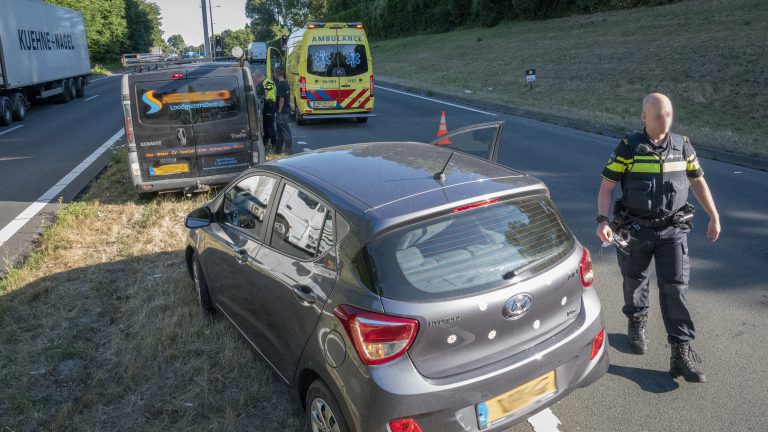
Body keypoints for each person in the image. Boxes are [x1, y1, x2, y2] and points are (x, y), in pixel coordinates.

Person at [596, 93, 721, 383]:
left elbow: (697, 180)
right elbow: (607, 186)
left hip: (673, 230)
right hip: (636, 230)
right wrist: (602, 220)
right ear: (644, 117)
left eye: (668, 114)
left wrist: (714, 215)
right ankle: (636, 321)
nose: (664, 120)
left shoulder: (683, 146)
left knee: (675, 288)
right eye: (657, 115)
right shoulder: (629, 147)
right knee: (635, 280)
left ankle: (680, 353)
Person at [253, 70, 276, 151]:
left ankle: (274, 143)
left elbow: (266, 94)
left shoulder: (268, 82)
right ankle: (266, 141)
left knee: (269, 125)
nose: (256, 81)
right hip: (267, 105)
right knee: (265, 125)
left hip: (270, 105)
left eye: (256, 79)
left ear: (259, 77)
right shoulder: (264, 82)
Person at [274, 67, 293, 154]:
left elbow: (281, 100)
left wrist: (279, 111)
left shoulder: (281, 85)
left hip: (282, 111)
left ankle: (288, 150)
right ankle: (278, 150)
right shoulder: (286, 84)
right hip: (285, 110)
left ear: (276, 74)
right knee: (279, 132)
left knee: (285, 131)